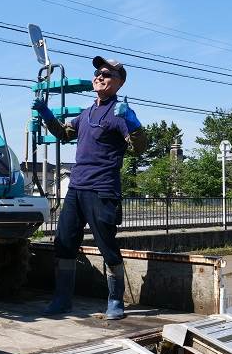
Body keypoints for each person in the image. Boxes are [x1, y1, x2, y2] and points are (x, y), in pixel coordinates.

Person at [32, 56, 147, 320]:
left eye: (107, 74)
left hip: (102, 190)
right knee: (64, 243)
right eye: (97, 72)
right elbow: (63, 134)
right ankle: (62, 300)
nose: (99, 76)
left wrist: (133, 122)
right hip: (76, 188)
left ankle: (116, 301)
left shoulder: (120, 114)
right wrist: (46, 113)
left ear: (119, 83)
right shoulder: (86, 114)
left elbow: (139, 148)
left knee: (107, 246)